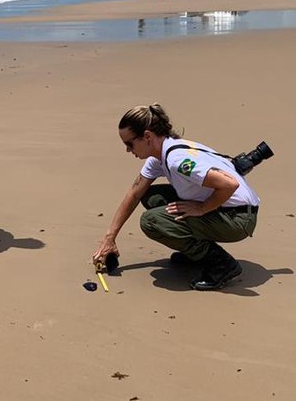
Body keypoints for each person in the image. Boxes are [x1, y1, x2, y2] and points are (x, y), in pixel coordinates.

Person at [92, 104, 261, 291]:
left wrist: (201, 208)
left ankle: (221, 265)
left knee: (151, 221)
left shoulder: (176, 161)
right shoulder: (161, 155)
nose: (127, 150)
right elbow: (134, 194)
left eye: (129, 144)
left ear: (147, 137)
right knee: (152, 197)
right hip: (229, 208)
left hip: (238, 219)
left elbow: (229, 184)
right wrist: (110, 238)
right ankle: (194, 252)